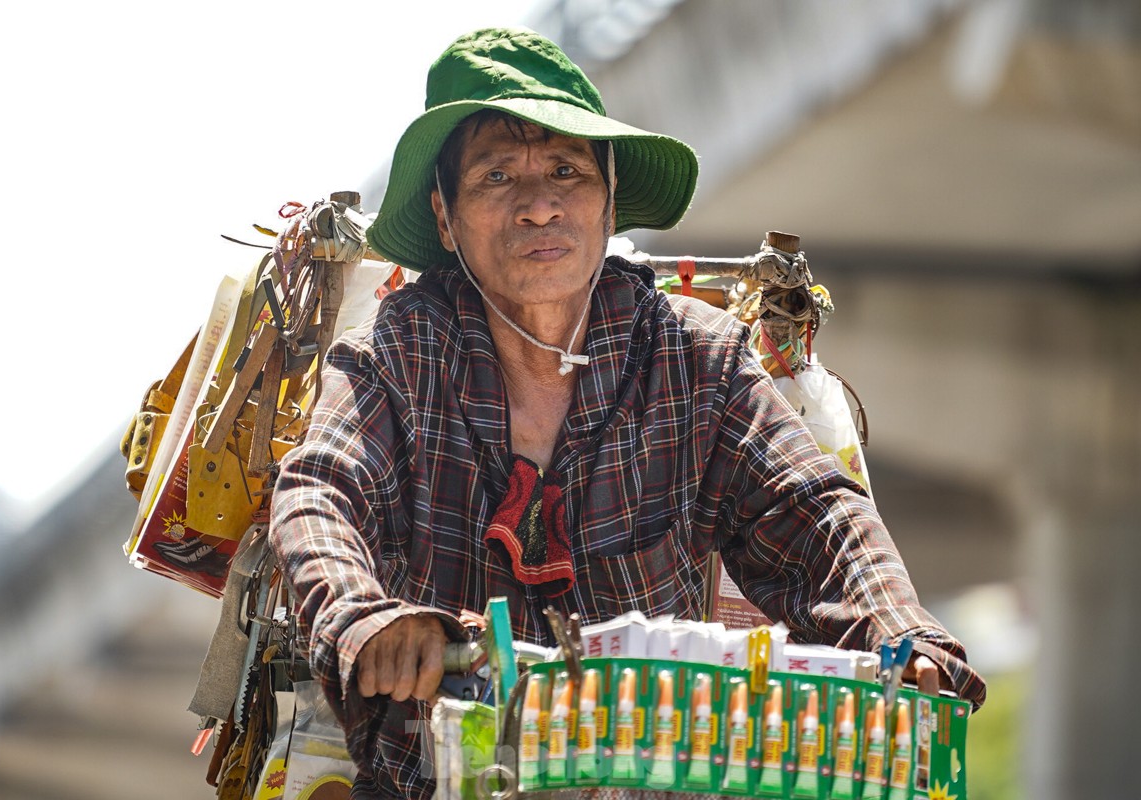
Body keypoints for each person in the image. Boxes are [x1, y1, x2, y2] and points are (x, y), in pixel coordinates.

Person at [270, 26, 984, 799]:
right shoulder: (397, 352)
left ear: (609, 202)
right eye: (496, 175)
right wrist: (364, 617)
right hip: (437, 781)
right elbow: (319, 493)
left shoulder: (695, 357)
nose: (539, 205)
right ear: (445, 218)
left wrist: (903, 638)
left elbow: (815, 512)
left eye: (566, 171)